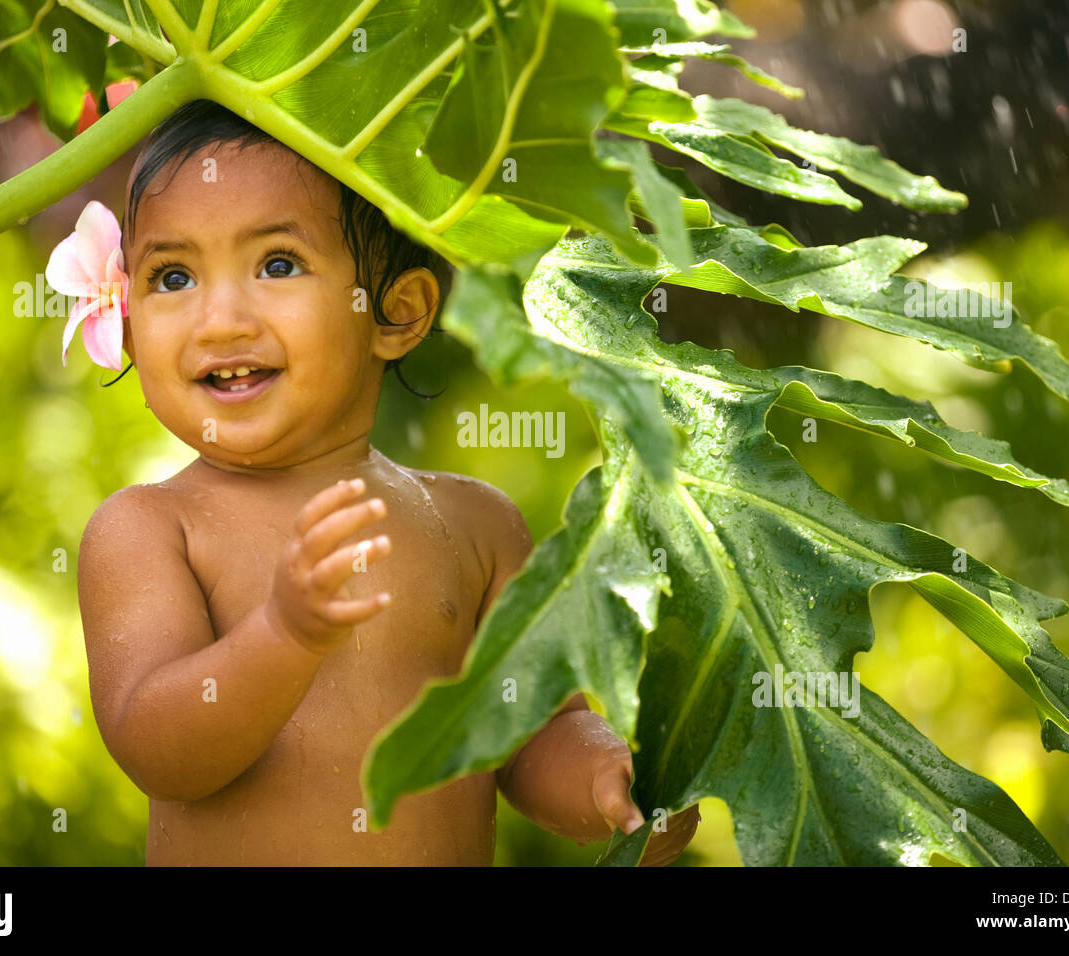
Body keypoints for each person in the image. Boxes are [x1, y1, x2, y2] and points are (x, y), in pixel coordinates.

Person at [65, 99, 699, 865]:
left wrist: (609, 778)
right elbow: (157, 748)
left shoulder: (475, 527)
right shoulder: (148, 530)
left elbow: (531, 730)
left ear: (396, 313)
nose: (218, 319)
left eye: (276, 264)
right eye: (172, 276)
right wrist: (284, 636)